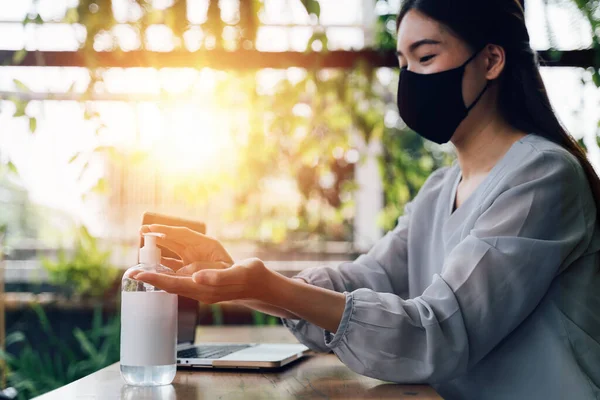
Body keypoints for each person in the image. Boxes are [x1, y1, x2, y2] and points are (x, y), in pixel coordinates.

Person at [130, 0, 600, 398]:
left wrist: (267, 288)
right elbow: (365, 279)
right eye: (402, 62)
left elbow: (438, 332)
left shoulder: (542, 176)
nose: (410, 78)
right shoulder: (440, 190)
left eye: (426, 56)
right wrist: (245, 279)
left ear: (492, 60)